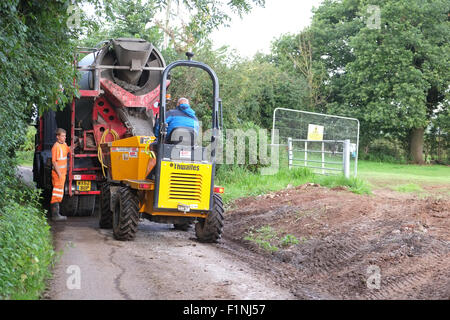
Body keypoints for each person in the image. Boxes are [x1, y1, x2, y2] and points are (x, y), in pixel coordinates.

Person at [50, 128, 70, 221]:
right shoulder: (56, 147)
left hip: (62, 173)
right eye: (62, 136)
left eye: (65, 136)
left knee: (59, 193)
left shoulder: (64, 145)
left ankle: (57, 214)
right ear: (57, 137)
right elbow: (54, 162)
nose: (64, 137)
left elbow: (69, 150)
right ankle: (55, 215)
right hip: (58, 174)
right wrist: (59, 174)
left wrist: (78, 144)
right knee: (57, 193)